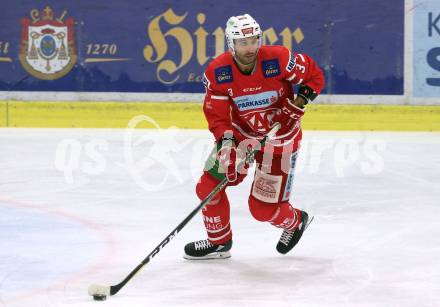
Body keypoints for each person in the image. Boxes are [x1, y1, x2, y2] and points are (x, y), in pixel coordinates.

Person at [184, 14, 325, 260]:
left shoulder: (279, 59)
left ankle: (295, 221)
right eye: (243, 42)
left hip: (280, 141)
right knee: (207, 188)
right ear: (231, 44)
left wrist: (299, 101)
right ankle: (219, 242)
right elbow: (217, 116)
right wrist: (226, 142)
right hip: (240, 137)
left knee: (261, 210)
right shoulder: (218, 72)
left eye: (253, 41)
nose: (250, 48)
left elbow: (314, 75)